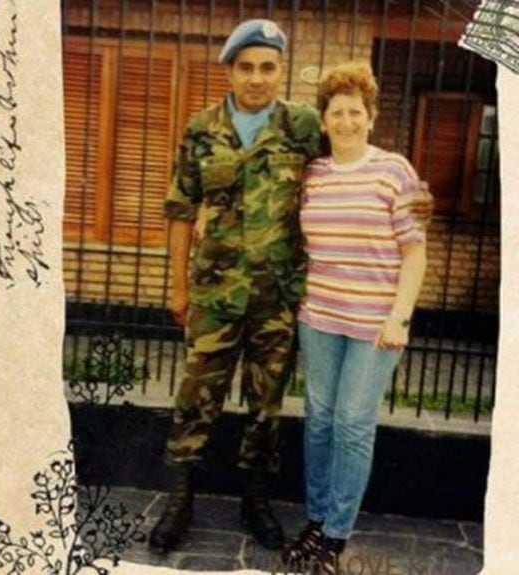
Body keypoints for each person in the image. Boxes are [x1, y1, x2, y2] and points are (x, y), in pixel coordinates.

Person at [149, 18, 323, 554]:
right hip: (215, 295)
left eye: (267, 68)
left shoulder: (302, 127)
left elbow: (348, 172)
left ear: (280, 71)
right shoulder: (202, 129)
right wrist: (176, 287)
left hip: (277, 295)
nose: (256, 78)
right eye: (246, 67)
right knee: (196, 397)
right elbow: (180, 210)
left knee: (266, 405)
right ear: (229, 70)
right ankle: (180, 500)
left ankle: (256, 500)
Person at [281, 61, 430, 573]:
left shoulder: (394, 171)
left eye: (355, 112)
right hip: (320, 317)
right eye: (336, 112)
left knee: (351, 425)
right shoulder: (314, 175)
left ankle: (337, 534)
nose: (346, 121)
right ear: (323, 121)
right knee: (318, 422)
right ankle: (317, 521)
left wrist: (400, 318)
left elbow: (415, 253)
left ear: (370, 118)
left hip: (375, 325)